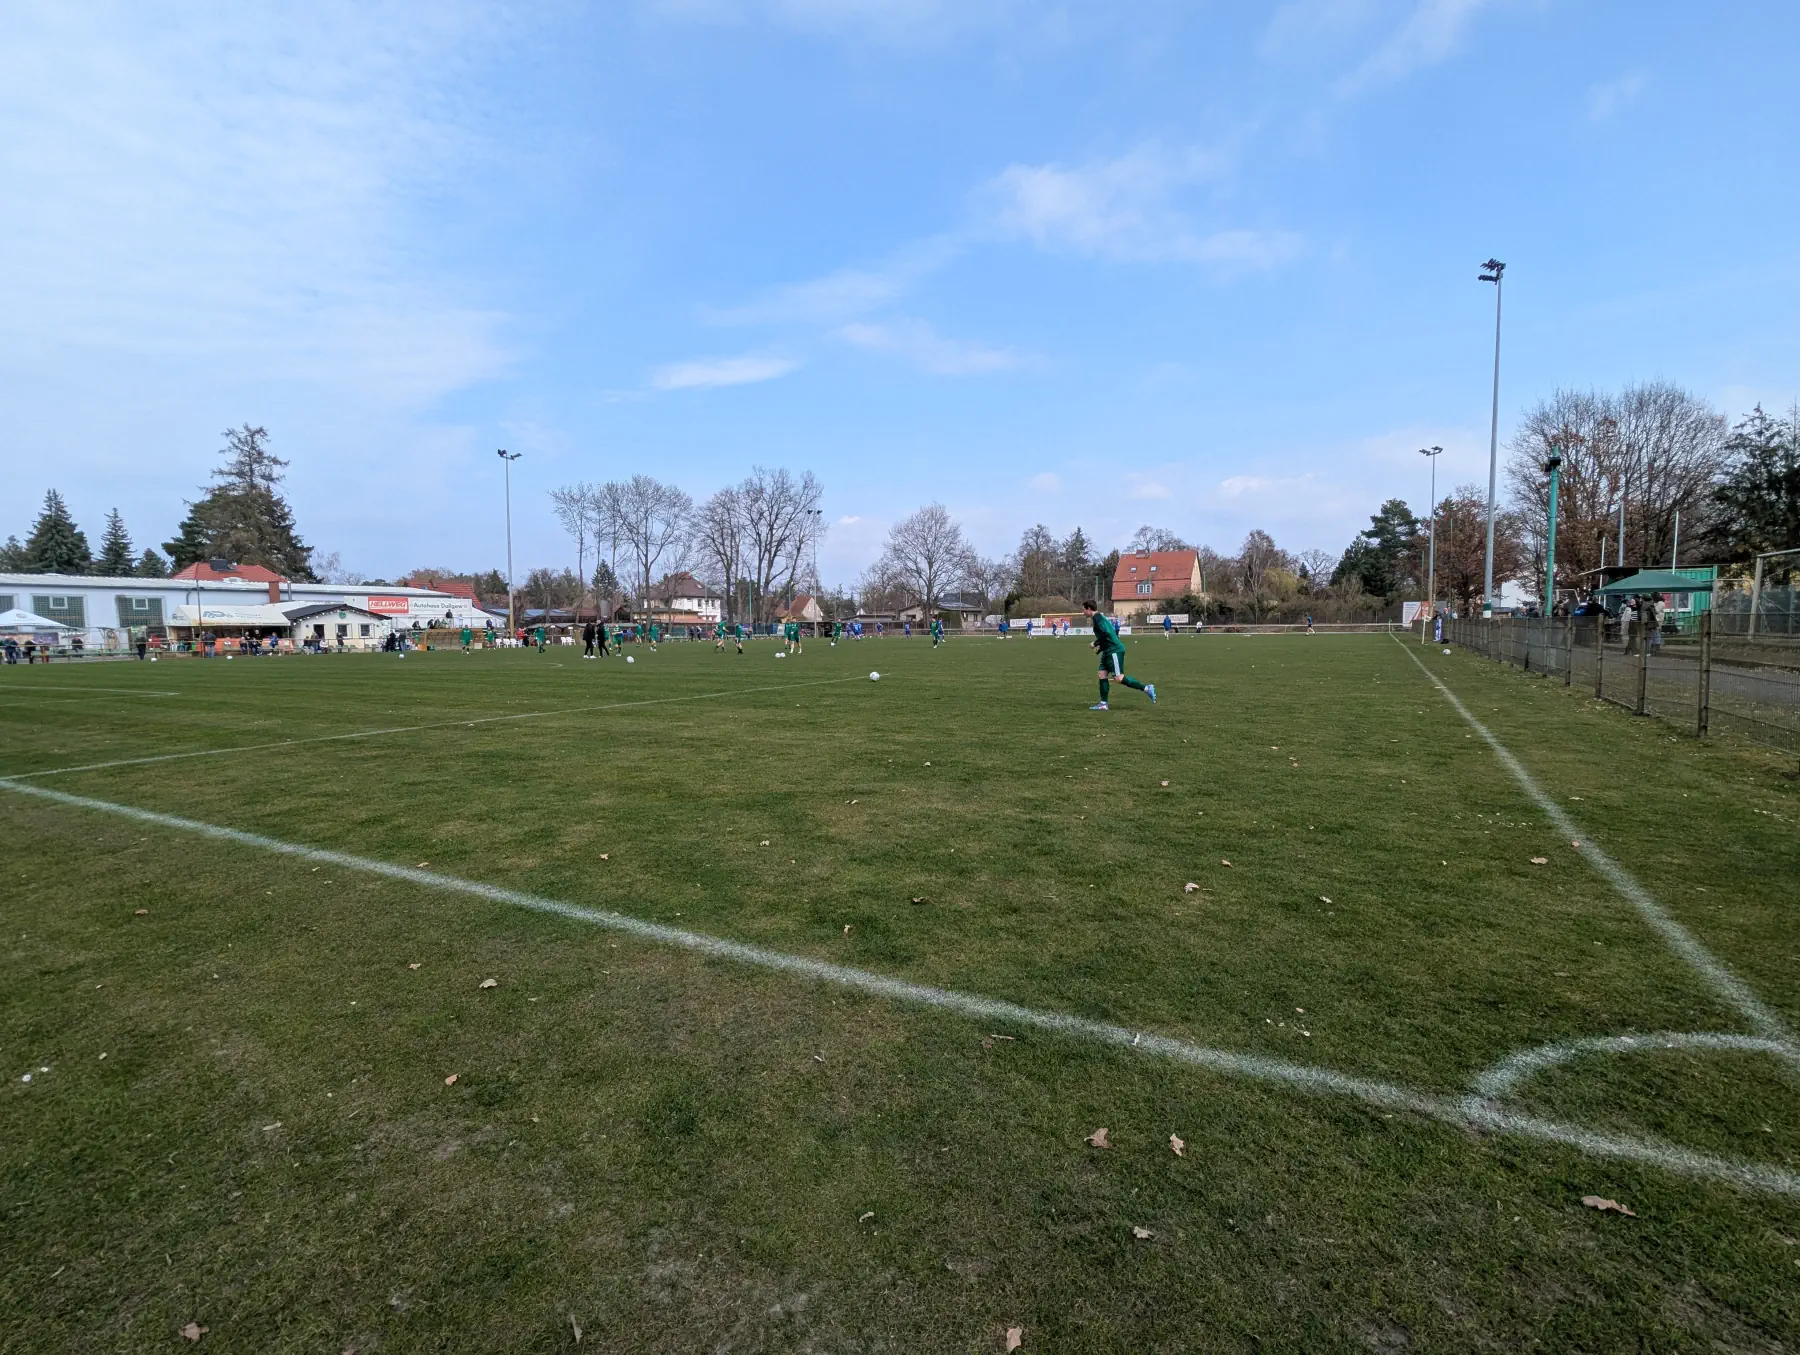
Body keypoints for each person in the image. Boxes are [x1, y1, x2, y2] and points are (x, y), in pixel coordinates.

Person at [1083, 600, 1155, 711]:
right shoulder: (1099, 618)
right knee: (1102, 674)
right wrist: (1100, 649)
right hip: (1108, 650)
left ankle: (1146, 688)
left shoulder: (1097, 618)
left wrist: (1095, 643)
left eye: (1083, 609)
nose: (1083, 612)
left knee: (1119, 678)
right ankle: (1103, 704)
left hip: (1114, 650)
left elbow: (1106, 633)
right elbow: (1108, 635)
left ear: (1089, 609)